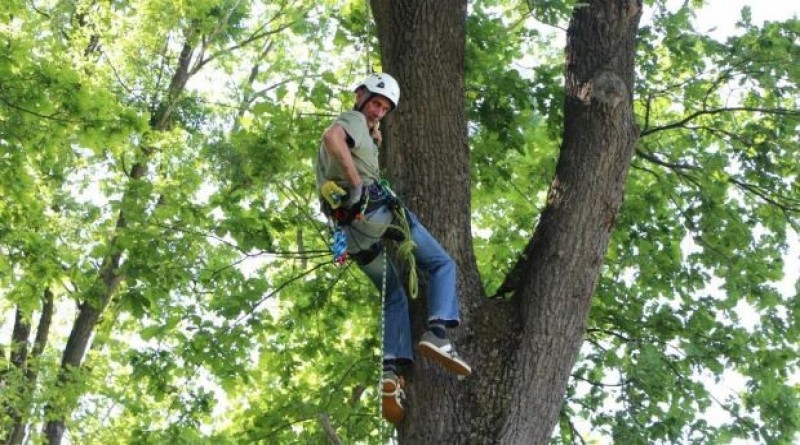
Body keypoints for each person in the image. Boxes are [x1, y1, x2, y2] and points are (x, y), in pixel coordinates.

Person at [314, 73, 471, 423]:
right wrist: (357, 185)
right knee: (442, 264)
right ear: (359, 96)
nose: (379, 112)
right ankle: (439, 332)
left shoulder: (360, 132)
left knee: (393, 297)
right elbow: (332, 137)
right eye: (375, 104)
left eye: (384, 109)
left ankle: (390, 373)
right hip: (378, 212)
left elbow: (345, 149)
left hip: (353, 236)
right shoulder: (350, 119)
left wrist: (373, 137)